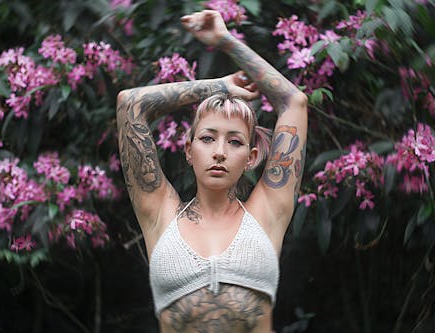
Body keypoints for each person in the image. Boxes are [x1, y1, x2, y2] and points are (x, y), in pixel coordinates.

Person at [116, 10, 308, 333]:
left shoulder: (267, 214)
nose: (219, 152)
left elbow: (294, 102)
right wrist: (218, 86)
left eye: (234, 142)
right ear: (189, 151)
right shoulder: (159, 215)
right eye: (207, 138)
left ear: (251, 156)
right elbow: (129, 104)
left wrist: (226, 41)